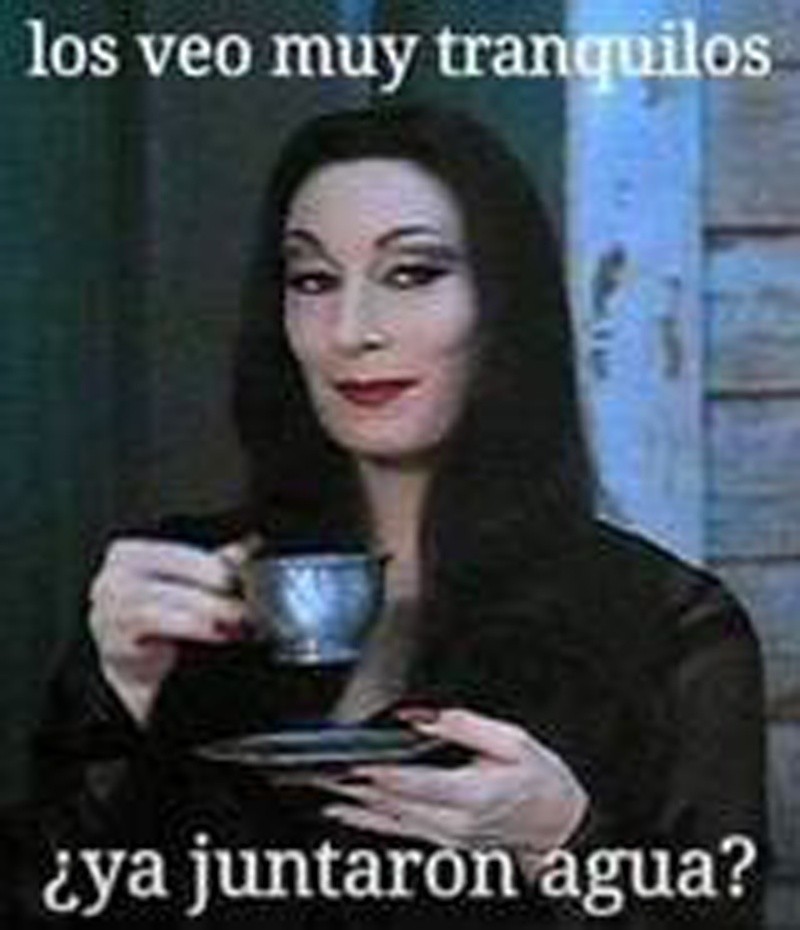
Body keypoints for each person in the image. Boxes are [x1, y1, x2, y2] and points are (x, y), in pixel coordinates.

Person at [12, 105, 765, 928]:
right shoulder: (180, 593)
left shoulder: (669, 628)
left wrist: (566, 843)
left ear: (503, 305)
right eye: (312, 280)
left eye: (412, 273)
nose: (351, 331)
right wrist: (117, 693)